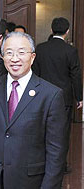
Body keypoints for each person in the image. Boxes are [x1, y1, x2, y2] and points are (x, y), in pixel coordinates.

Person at [0, 32, 68, 188]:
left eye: (22, 52)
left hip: (30, 181)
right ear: (1, 56)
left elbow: (56, 151)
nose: (15, 59)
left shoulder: (51, 95)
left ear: (33, 56)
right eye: (9, 53)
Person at [32, 17, 83, 173]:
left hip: (42, 96)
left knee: (42, 130)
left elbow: (35, 73)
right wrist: (79, 97)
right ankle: (60, 165)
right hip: (64, 98)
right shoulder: (70, 50)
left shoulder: (40, 49)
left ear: (51, 30)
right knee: (62, 131)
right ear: (67, 32)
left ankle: (42, 162)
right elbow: (76, 75)